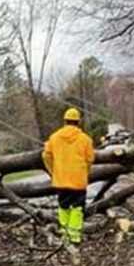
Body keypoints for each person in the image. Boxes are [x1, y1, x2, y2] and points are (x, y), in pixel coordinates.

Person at [42, 107, 95, 250]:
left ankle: (65, 234)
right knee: (77, 208)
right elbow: (90, 159)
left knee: (63, 207)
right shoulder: (85, 139)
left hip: (61, 180)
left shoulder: (54, 137)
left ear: (65, 121)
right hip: (78, 181)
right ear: (78, 122)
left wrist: (53, 171)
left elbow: (46, 155)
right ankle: (75, 237)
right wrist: (86, 172)